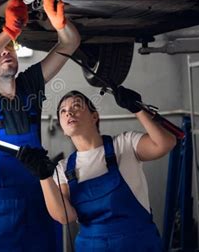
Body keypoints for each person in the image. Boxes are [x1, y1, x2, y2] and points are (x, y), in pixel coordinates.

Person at [0, 0, 81, 251]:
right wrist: (7, 31)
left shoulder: (29, 85)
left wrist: (60, 23)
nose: (6, 51)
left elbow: (70, 42)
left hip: (40, 203)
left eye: (10, 46)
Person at [17, 88, 177, 251]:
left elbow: (166, 143)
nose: (69, 113)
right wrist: (43, 177)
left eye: (77, 106)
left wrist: (138, 109)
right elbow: (65, 216)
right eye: (63, 111)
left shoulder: (124, 145)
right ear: (63, 130)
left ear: (95, 116)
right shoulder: (63, 169)